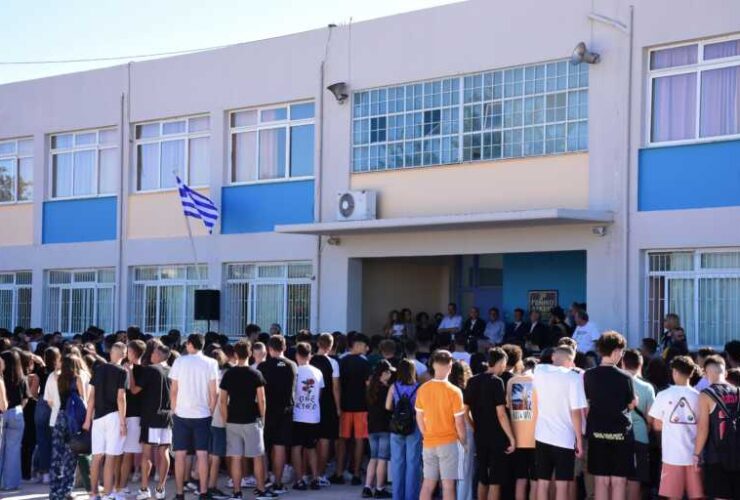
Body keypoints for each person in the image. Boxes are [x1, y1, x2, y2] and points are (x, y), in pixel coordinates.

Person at [220, 340, 276, 500]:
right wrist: (263, 418)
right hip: (252, 419)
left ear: (235, 354)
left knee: (236, 457)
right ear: (250, 353)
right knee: (257, 457)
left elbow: (223, 401)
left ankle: (237, 492)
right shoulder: (256, 374)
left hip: (233, 419)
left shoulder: (228, 374)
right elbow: (262, 399)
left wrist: (225, 420)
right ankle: (261, 490)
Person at [583, 331, 636, 500]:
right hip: (621, 434)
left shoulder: (588, 375)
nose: (621, 356)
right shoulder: (625, 377)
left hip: (597, 432)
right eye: (621, 352)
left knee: (601, 481)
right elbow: (630, 404)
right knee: (619, 481)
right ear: (615, 351)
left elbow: (586, 403)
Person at [532, 345, 587, 500]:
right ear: (571, 361)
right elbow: (576, 413)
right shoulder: (573, 378)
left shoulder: (539, 371)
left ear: (553, 357)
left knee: (542, 482)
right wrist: (579, 440)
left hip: (542, 435)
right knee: (562, 484)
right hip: (565, 438)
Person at [169, 334, 219, 500]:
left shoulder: (179, 361)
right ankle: (203, 492)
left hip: (181, 413)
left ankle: (179, 493)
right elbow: (214, 392)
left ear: (190, 344)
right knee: (202, 454)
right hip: (203, 414)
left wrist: (174, 409)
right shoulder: (211, 363)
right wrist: (210, 410)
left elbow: (174, 390)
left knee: (180, 454)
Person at [648, 355, 703, 500]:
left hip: (671, 455)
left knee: (673, 496)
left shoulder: (663, 395)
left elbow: (656, 425)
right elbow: (703, 426)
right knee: (697, 495)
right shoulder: (699, 396)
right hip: (695, 455)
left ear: (675, 372)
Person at [464, 347, 516, 500]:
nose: (504, 367)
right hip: (497, 437)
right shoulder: (496, 381)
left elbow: (465, 411)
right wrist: (511, 438)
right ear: (500, 362)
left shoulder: (472, 380)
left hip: (480, 435)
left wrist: (475, 427)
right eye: (504, 363)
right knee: (495, 480)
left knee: (483, 477)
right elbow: (501, 414)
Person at [415, 350, 467, 500]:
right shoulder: (455, 391)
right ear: (450, 367)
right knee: (448, 486)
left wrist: (426, 434)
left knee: (427, 484)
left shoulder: (423, 389)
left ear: (433, 365)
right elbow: (459, 422)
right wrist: (464, 443)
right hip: (449, 443)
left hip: (429, 442)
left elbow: (419, 417)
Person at [84, 342, 128, 500]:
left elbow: (91, 397)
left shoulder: (98, 369)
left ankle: (93, 493)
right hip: (114, 416)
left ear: (111, 353)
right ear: (124, 355)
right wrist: (123, 422)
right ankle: (108, 494)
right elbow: (121, 398)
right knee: (110, 457)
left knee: (96, 457)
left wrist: (87, 419)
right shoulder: (122, 371)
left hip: (98, 417)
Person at [693, 355, 740, 500]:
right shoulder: (738, 392)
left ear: (706, 374)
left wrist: (697, 454)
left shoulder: (706, 394)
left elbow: (703, 428)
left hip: (717, 456)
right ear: (725, 373)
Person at [258, 335, 297, 494]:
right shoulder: (292, 365)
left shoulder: (263, 366)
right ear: (284, 348)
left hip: (266, 411)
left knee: (263, 448)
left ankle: (264, 481)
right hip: (285, 410)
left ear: (269, 349)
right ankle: (278, 483)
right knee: (280, 446)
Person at [134, 343, 172, 500]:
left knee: (147, 453)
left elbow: (135, 390)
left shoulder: (150, 370)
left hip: (151, 416)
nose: (151, 355)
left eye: (154, 352)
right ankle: (161, 488)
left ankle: (144, 489)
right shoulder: (172, 370)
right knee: (164, 452)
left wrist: (130, 373)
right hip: (167, 416)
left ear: (160, 355)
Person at [49, 354, 89, 500]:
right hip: (73, 419)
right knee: (71, 455)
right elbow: (83, 400)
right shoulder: (78, 378)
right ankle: (66, 490)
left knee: (56, 455)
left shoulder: (58, 378)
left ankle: (54, 491)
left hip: (60, 417)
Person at [333, 333, 371, 485]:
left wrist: (338, 405)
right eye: (364, 346)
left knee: (342, 440)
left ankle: (339, 473)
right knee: (359, 439)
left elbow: (337, 385)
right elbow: (368, 386)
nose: (366, 349)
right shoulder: (365, 362)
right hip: (361, 406)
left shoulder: (341, 361)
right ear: (358, 345)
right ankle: (356, 474)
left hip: (344, 406)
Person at [385, 359, 422, 500]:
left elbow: (388, 406)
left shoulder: (394, 387)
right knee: (413, 463)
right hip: (414, 425)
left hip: (397, 426)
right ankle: (411, 496)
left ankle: (397, 496)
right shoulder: (419, 388)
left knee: (397, 462)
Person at [621, 348, 655, 500]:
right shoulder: (647, 387)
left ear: (622, 363)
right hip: (640, 436)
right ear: (640, 365)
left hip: (620, 435)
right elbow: (651, 418)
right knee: (635, 478)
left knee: (620, 478)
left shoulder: (617, 383)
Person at [291, 342, 324, 491]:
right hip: (313, 415)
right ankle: (315, 478)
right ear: (310, 355)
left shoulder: (295, 371)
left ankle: (299, 480)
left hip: (297, 414)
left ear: (297, 355)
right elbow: (319, 394)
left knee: (296, 447)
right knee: (311, 448)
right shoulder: (318, 372)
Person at [309, 333, 341, 487]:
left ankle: (308, 473)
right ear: (331, 346)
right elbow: (336, 388)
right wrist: (338, 407)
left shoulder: (309, 360)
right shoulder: (333, 363)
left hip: (310, 403)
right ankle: (320, 474)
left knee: (308, 441)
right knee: (325, 440)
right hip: (327, 404)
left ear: (317, 344)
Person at [507, 352, 538, 500]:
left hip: (517, 437)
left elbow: (508, 406)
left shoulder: (512, 381)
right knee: (535, 480)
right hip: (536, 438)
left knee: (521, 478)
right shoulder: (538, 382)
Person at [118, 340, 145, 495]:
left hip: (133, 415)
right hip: (126, 414)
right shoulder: (123, 368)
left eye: (128, 351)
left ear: (133, 353)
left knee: (127, 453)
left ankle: (121, 486)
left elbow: (134, 391)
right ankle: (120, 486)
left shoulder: (142, 370)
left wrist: (130, 372)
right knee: (124, 453)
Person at [364, 360, 393, 498]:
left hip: (372, 427)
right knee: (382, 459)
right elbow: (389, 408)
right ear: (383, 373)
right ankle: (380, 488)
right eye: (389, 372)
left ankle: (367, 487)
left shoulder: (370, 388)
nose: (390, 375)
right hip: (384, 427)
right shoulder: (387, 390)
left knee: (373, 458)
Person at [0, 350, 28, 492]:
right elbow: (26, 398)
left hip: (1, 412)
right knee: (14, 450)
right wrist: (19, 409)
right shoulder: (21, 378)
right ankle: (10, 484)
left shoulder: (1, 378)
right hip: (16, 413)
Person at [34, 346, 60, 485]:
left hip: (42, 402)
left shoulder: (41, 370)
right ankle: (54, 471)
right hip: (55, 403)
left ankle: (44, 472)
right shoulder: (60, 371)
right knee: (55, 440)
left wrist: (36, 398)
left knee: (42, 440)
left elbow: (34, 390)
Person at [450, 361, 475, 500]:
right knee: (465, 471)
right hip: (465, 428)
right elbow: (466, 414)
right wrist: (474, 427)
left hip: (448, 429)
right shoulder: (467, 390)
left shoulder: (447, 389)